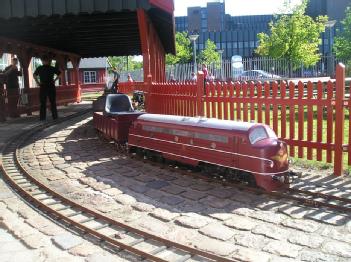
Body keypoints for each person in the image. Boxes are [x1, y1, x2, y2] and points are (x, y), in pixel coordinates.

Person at [33, 55, 61, 121]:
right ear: (48, 61)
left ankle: (42, 118)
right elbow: (60, 74)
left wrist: (38, 82)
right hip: (51, 85)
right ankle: (55, 117)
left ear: (43, 61)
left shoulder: (40, 68)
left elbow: (34, 75)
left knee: (43, 103)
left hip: (43, 86)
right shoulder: (52, 68)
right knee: (53, 102)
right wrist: (55, 80)